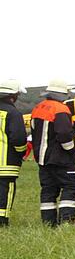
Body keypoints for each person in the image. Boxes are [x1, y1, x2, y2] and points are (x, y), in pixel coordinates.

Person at [30, 80, 75, 226]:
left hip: (42, 158)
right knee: (71, 186)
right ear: (61, 94)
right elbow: (64, 134)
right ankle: (66, 220)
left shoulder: (38, 108)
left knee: (48, 189)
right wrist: (71, 150)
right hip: (60, 158)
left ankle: (48, 221)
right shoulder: (60, 109)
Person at [0, 80, 28, 227]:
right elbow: (18, 138)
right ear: (12, 95)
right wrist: (21, 152)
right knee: (5, 189)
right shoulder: (12, 113)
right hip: (6, 162)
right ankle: (2, 220)